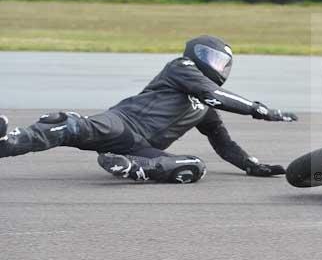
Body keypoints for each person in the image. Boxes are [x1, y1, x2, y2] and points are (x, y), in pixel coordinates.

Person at [0, 35, 297, 184]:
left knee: (194, 167)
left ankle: (133, 167)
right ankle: (7, 143)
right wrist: (261, 110)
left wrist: (251, 166)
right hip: (122, 124)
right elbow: (214, 93)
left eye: (222, 64)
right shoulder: (182, 67)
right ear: (196, 54)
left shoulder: (206, 108)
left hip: (142, 148)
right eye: (213, 59)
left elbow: (224, 143)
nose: (217, 68)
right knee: (67, 123)